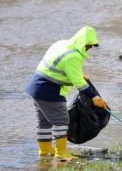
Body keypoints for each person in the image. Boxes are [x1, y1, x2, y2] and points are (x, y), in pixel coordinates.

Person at [25, 26, 107, 160]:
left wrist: (78, 75)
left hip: (35, 86)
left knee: (44, 121)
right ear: (82, 42)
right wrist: (94, 97)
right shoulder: (73, 56)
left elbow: (59, 66)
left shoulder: (61, 44)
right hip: (49, 90)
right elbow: (79, 84)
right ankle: (61, 152)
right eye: (89, 45)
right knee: (61, 120)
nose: (90, 48)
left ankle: (45, 150)